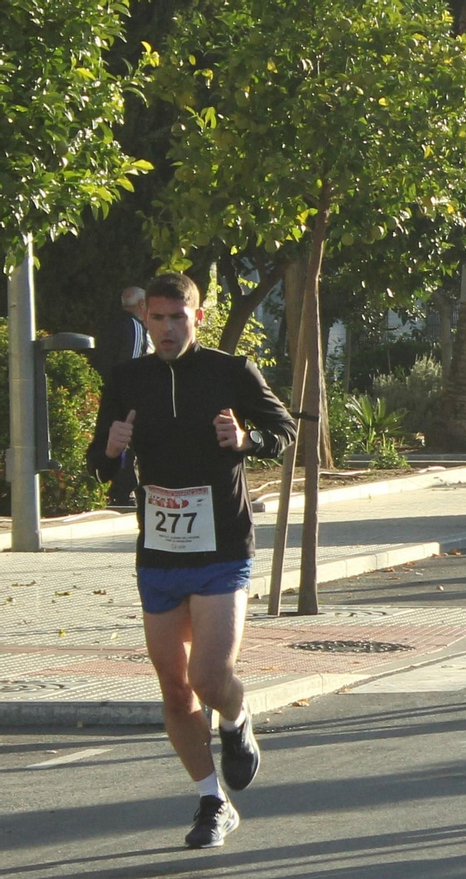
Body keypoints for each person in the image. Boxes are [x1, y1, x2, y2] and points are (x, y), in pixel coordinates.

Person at [87, 273, 295, 849]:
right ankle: (211, 801)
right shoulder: (128, 378)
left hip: (223, 545)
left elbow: (286, 431)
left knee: (208, 676)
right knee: (176, 691)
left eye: (179, 318)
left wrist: (246, 440)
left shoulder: (232, 371)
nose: (169, 328)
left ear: (196, 318)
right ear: (146, 322)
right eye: (158, 319)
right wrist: (109, 449)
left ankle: (235, 718)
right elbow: (99, 467)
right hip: (158, 550)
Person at [94, 286, 154, 507]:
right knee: (127, 442)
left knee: (118, 441)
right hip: (129, 397)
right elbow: (130, 364)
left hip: (111, 393)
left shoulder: (113, 324)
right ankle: (124, 491)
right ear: (141, 305)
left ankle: (120, 489)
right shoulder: (134, 326)